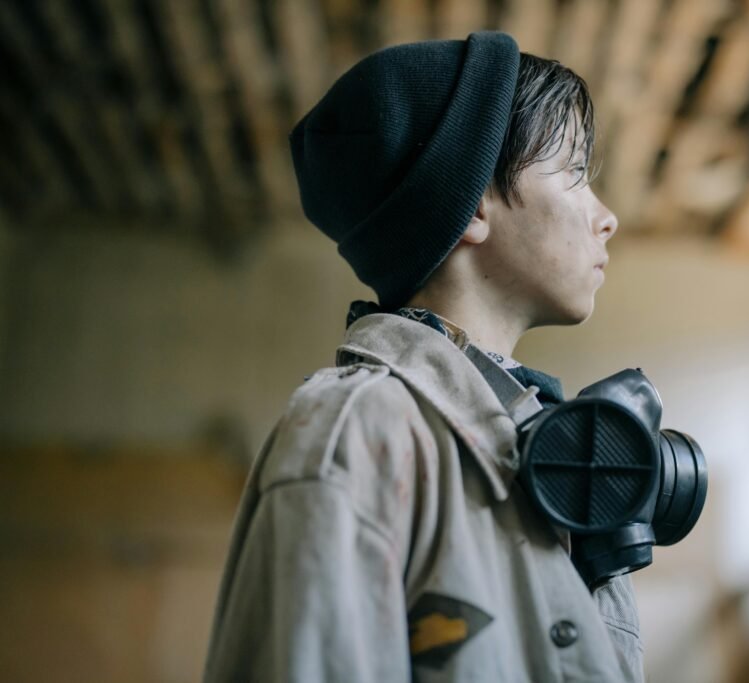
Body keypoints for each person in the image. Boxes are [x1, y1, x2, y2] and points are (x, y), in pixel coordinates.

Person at [203, 30, 641, 682]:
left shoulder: (539, 449)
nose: (606, 216)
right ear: (473, 204)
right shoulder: (352, 432)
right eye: (575, 172)